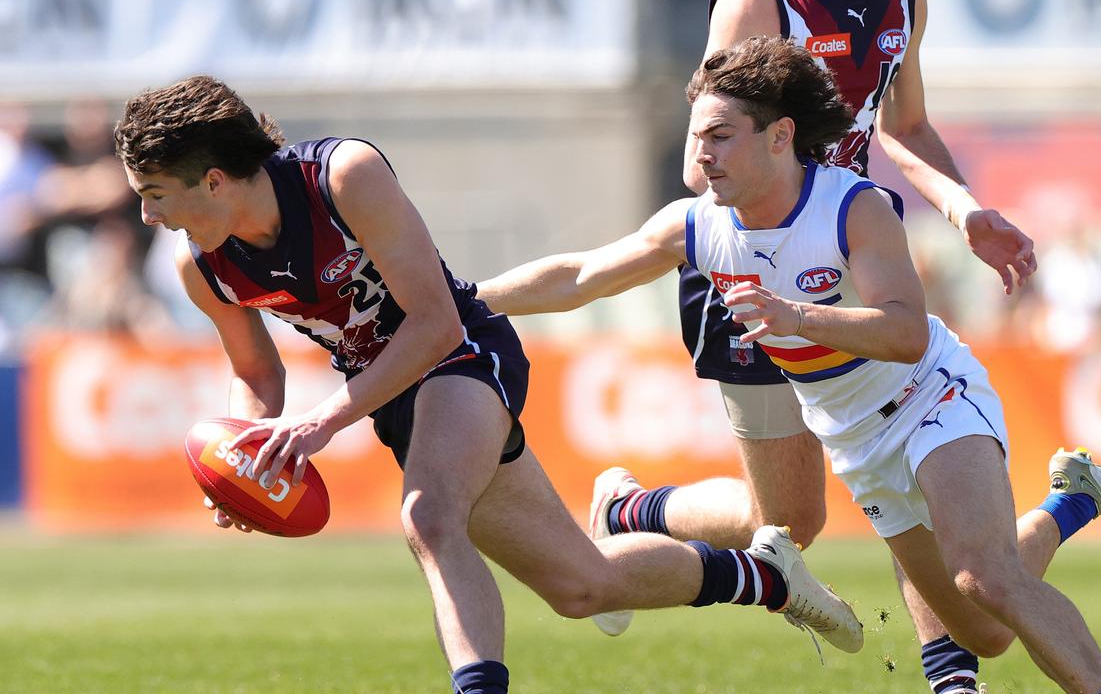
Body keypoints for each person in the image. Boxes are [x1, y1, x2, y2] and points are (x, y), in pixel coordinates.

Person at [113, 76, 863, 694]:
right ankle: (766, 581)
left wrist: (320, 425)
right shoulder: (201, 264)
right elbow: (256, 373)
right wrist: (248, 458)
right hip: (396, 396)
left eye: (154, 193)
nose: (148, 216)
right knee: (582, 586)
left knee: (428, 515)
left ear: (213, 180)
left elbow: (435, 324)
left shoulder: (342, 178)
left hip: (462, 355)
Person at [478, 37, 1101, 694]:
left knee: (985, 577)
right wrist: (464, 301)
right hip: (856, 440)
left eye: (720, 136)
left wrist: (799, 317)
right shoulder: (697, 224)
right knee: (985, 630)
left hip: (930, 396)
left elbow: (909, 334)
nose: (701, 155)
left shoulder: (853, 207)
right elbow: (578, 277)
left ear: (779, 136)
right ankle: (1075, 500)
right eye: (697, 137)